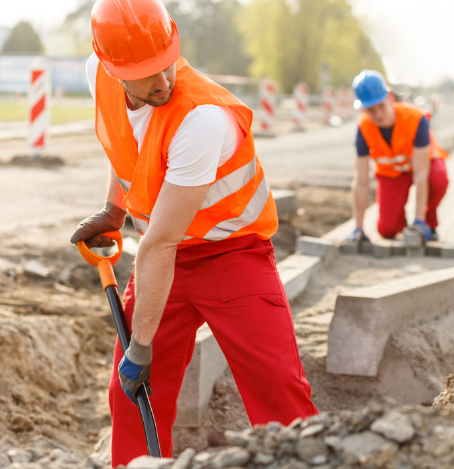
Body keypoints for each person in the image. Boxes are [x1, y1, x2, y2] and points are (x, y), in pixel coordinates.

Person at [70, 0, 317, 465]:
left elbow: (158, 243)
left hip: (232, 257)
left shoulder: (200, 117)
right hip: (165, 261)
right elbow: (126, 146)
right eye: (145, 73)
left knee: (278, 392)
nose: (162, 82)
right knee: (130, 398)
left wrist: (141, 346)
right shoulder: (98, 75)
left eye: (166, 65)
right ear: (110, 66)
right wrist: (113, 208)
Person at [348, 70, 449, 244]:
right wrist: (358, 228)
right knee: (387, 230)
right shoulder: (364, 128)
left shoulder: (416, 119)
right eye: (371, 110)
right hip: (392, 174)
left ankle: (428, 223)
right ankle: (401, 225)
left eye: (381, 106)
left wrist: (419, 221)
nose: (378, 114)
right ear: (364, 109)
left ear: (390, 98)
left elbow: (421, 174)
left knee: (438, 179)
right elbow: (361, 182)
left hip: (424, 168)